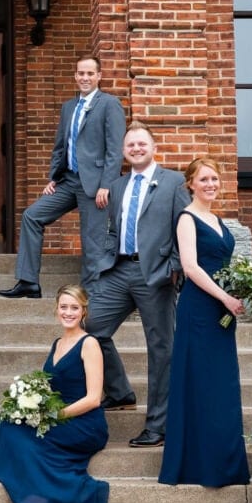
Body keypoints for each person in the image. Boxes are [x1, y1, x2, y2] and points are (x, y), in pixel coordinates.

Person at [85, 121, 189, 447]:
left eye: (142, 144)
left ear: (153, 147)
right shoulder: (118, 186)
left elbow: (183, 225)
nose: (136, 149)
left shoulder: (173, 182)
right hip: (119, 271)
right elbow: (115, 229)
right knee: (90, 328)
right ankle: (119, 391)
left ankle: (158, 426)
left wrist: (175, 267)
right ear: (124, 151)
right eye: (131, 145)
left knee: (162, 351)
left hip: (156, 276)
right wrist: (104, 260)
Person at [0, 284, 109, 503]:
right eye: (63, 307)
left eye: (74, 308)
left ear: (84, 311)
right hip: (56, 414)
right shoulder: (58, 343)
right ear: (56, 309)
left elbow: (93, 399)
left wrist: (54, 416)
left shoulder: (89, 344)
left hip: (84, 422)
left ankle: (35, 500)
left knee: (18, 436)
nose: (68, 313)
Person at [0, 54, 124, 299]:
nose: (85, 78)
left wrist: (106, 185)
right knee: (32, 216)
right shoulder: (69, 107)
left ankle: (92, 298)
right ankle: (28, 282)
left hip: (96, 184)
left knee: (92, 241)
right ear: (75, 76)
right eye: (81, 73)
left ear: (99, 76)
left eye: (90, 73)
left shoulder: (110, 104)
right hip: (69, 180)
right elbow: (61, 146)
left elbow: (115, 149)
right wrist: (54, 177)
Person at [159, 157, 250, 487]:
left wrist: (241, 289)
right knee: (200, 383)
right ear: (191, 185)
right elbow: (191, 268)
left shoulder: (218, 220)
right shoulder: (187, 218)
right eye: (204, 179)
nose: (211, 184)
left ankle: (224, 463)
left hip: (222, 311)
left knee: (222, 384)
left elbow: (225, 266)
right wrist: (224, 297)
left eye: (214, 179)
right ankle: (197, 464)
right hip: (199, 308)